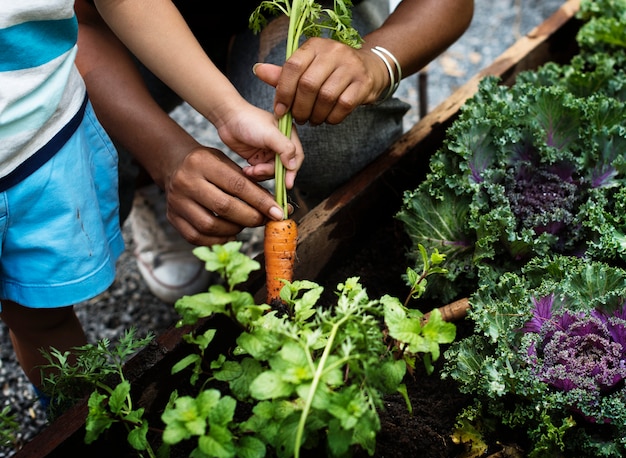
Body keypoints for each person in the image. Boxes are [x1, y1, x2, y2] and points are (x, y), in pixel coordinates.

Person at [76, 0, 474, 302]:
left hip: (286, 14)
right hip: (125, 21)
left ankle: (300, 263)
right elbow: (76, 22)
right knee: (75, 138)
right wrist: (166, 157)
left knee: (331, 130)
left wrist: (374, 62)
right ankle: (148, 186)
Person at [0, 0, 301, 396]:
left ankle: (82, 426)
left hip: (41, 150)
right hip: (37, 138)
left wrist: (227, 112)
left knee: (42, 316)